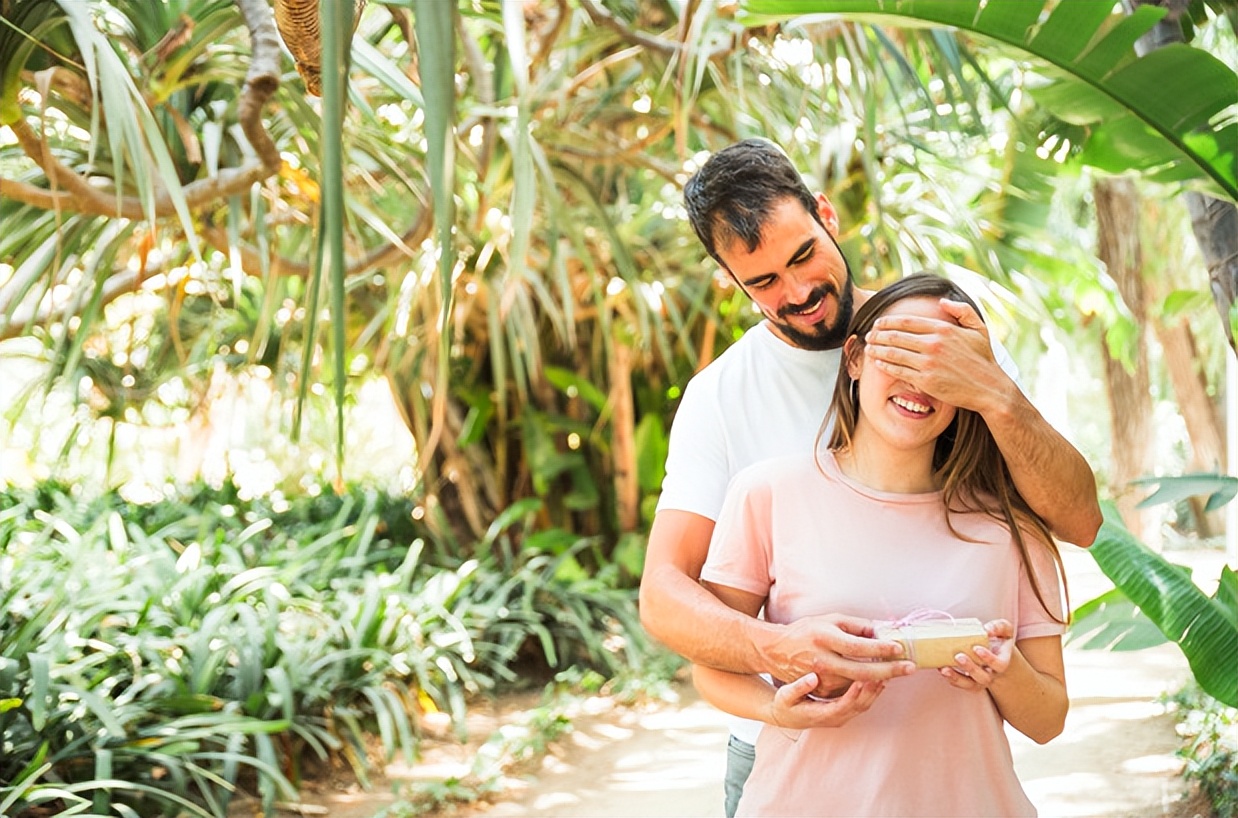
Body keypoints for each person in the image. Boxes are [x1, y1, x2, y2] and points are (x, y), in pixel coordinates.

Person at [637, 138, 1101, 816]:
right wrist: (781, 652)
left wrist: (996, 391)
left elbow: (1078, 521)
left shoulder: (945, 337)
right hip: (788, 752)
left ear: (826, 215)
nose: (798, 293)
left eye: (803, 255)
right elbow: (663, 595)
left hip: (950, 768)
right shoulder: (721, 399)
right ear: (729, 282)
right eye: (761, 283)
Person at [694, 273, 1068, 816]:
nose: (920, 383)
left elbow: (1049, 719)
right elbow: (711, 666)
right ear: (854, 358)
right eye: (900, 354)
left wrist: (1003, 670)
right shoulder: (767, 494)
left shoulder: (1010, 526)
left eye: (943, 365)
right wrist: (779, 708)